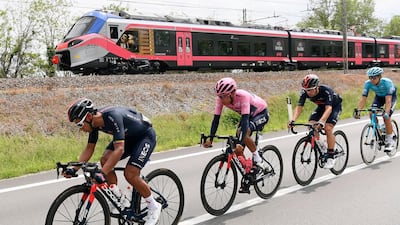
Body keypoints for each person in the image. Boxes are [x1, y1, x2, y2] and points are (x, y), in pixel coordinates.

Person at [64, 98, 161, 225]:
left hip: (144, 137)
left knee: (130, 174)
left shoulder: (112, 116)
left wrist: (102, 173)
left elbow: (119, 149)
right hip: (128, 138)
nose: (80, 129)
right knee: (105, 159)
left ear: (88, 117)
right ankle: (120, 198)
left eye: (79, 125)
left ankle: (154, 206)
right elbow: (89, 148)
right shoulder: (93, 124)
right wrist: (74, 168)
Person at [202, 77, 270, 194]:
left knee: (241, 135)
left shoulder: (243, 96)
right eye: (219, 96)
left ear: (233, 93)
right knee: (237, 145)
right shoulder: (220, 99)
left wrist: (240, 142)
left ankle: (258, 160)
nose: (221, 99)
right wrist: (211, 139)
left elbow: (244, 121)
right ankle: (248, 172)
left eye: (224, 96)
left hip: (261, 113)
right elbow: (216, 120)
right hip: (248, 116)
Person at [288, 74, 342, 169]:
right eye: (306, 90)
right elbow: (299, 107)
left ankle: (331, 155)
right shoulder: (304, 92)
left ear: (316, 87)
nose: (308, 92)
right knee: (311, 125)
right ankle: (322, 146)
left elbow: (329, 108)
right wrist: (293, 119)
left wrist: (321, 121)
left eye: (310, 90)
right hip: (321, 107)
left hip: (334, 107)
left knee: (328, 128)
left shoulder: (326, 91)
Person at [355, 66, 397, 152]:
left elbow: (388, 101)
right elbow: (363, 99)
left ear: (380, 77)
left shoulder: (387, 83)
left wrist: (386, 112)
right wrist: (358, 111)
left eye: (374, 78)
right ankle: (378, 131)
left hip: (390, 98)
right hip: (379, 97)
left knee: (386, 117)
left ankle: (390, 140)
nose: (372, 80)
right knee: (371, 112)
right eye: (370, 78)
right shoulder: (367, 83)